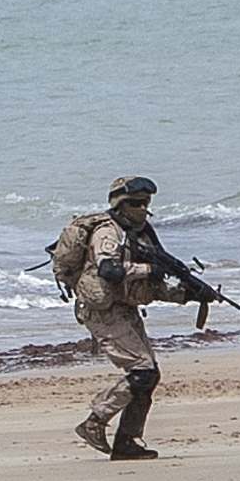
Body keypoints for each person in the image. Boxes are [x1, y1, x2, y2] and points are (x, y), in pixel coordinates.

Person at [67, 177, 193, 460]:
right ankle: (95, 421)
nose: (142, 208)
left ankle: (127, 442)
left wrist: (188, 294)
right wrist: (146, 269)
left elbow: (155, 279)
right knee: (142, 373)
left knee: (149, 375)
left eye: (145, 203)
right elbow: (110, 271)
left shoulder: (139, 233)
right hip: (101, 311)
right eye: (135, 203)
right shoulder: (107, 233)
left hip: (124, 308)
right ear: (120, 204)